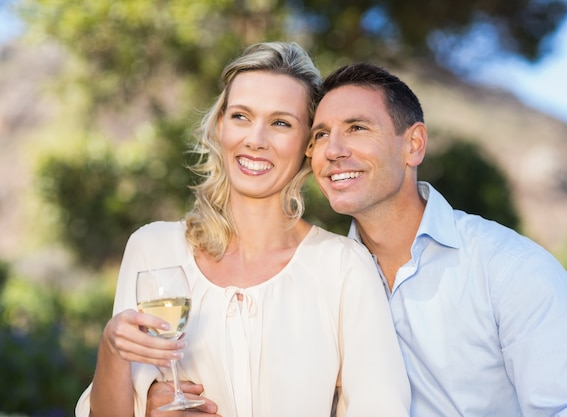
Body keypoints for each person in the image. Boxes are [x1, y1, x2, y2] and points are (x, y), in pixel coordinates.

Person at [75, 44, 410, 417]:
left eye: (281, 123)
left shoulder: (344, 267)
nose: (256, 139)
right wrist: (112, 347)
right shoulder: (152, 249)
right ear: (220, 126)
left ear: (307, 144)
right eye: (240, 116)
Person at [305, 62, 567, 416]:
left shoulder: (509, 268)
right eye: (319, 135)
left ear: (413, 145)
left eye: (357, 128)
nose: (332, 150)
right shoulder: (320, 278)